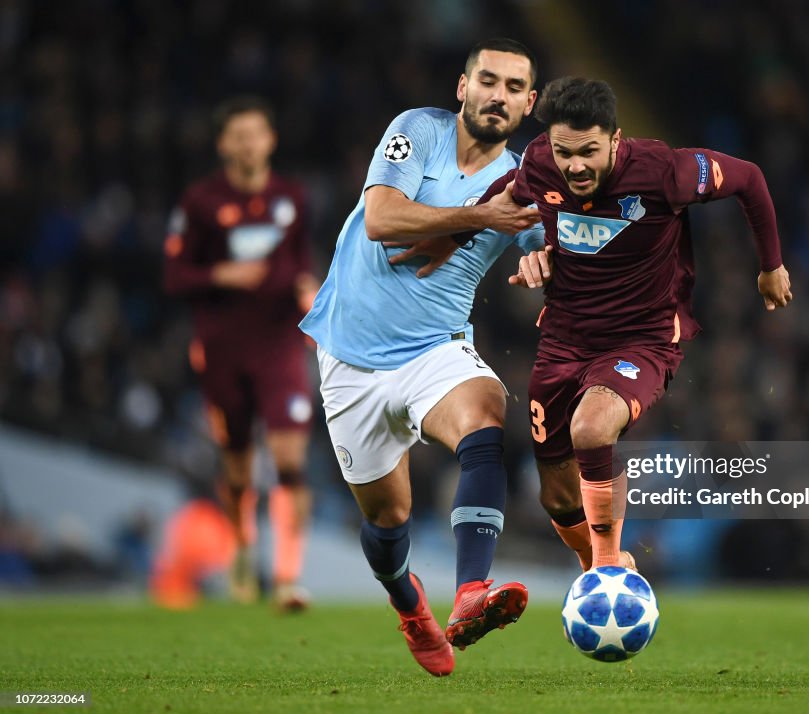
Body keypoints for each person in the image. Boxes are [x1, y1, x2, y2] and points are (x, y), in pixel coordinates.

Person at [467, 77, 793, 572]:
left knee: (592, 428)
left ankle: (607, 571)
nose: (575, 165)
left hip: (642, 339)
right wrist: (453, 235)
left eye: (589, 151)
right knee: (556, 497)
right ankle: (605, 564)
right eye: (563, 152)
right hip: (563, 339)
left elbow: (748, 178)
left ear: (616, 140)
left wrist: (771, 266)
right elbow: (504, 198)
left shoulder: (665, 172)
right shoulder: (538, 161)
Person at [299, 38, 543, 677]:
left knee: (487, 410)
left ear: (530, 103)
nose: (499, 95)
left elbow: (567, 250)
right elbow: (381, 218)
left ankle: (470, 594)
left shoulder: (528, 182)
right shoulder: (417, 131)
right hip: (350, 359)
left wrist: (550, 260)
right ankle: (410, 606)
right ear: (462, 88)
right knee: (389, 521)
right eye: (487, 81)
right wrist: (477, 215)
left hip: (436, 349)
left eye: (514, 88)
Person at [163, 96, 317, 612]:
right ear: (223, 143)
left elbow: (299, 263)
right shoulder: (200, 203)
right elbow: (174, 275)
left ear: (271, 139)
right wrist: (219, 274)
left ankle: (289, 577)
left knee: (291, 462)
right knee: (237, 469)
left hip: (278, 345)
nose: (249, 143)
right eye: (239, 135)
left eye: (258, 133)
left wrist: (307, 290)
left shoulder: (291, 198)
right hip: (223, 346)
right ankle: (243, 552)